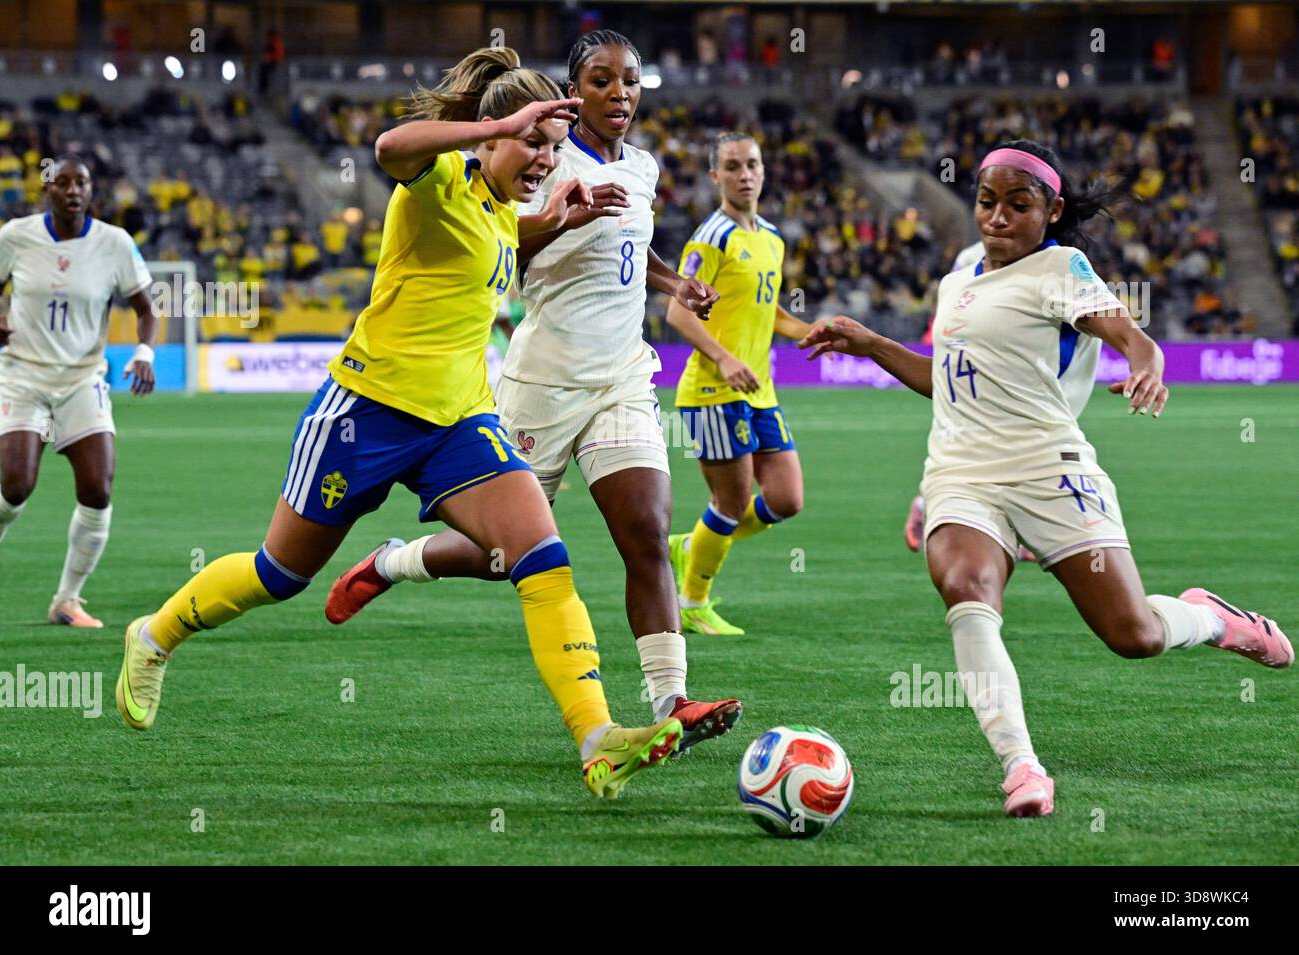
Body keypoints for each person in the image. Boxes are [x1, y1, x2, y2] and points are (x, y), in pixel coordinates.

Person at [114, 47, 683, 799]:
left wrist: (554, 216)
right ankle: (155, 635)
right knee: (279, 573)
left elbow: (498, 246)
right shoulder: (439, 179)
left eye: (552, 147)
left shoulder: (504, 208)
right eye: (532, 143)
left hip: (458, 422)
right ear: (489, 134)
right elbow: (389, 147)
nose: (545, 160)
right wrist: (504, 124)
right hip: (365, 414)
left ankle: (597, 737)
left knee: (542, 556)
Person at [800, 140, 1293, 817]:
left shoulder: (1062, 268)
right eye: (986, 201)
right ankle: (1022, 766)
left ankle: (1211, 617)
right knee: (966, 590)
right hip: (961, 471)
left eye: (1018, 204)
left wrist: (1148, 362)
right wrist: (874, 344)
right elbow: (947, 385)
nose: (998, 217)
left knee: (1135, 634)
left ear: (1051, 209)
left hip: (1048, 469)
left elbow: (1130, 335)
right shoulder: (959, 279)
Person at [325, 31, 742, 754]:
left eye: (632, 81)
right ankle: (394, 559)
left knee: (645, 528)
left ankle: (671, 699)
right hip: (542, 380)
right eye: (603, 82)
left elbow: (627, 248)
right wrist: (558, 219)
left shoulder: (640, 167)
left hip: (620, 376)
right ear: (572, 94)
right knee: (501, 555)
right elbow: (500, 245)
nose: (621, 95)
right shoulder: (535, 153)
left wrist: (676, 283)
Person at [665, 132, 814, 636]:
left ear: (765, 169)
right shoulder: (711, 238)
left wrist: (807, 330)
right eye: (732, 167)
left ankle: (694, 545)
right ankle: (692, 602)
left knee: (787, 498)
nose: (744, 174)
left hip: (759, 392)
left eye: (752, 164)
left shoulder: (771, 237)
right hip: (712, 391)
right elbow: (677, 313)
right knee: (730, 503)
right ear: (715, 177)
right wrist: (724, 358)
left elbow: (763, 309)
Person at [0, 156, 158, 627]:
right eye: (62, 181)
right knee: (16, 486)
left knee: (97, 488)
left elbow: (146, 309)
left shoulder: (114, 243)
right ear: (47, 190)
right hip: (22, 375)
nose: (72, 189)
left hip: (83, 378)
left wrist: (144, 353)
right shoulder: (15, 236)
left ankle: (67, 600)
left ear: (92, 191)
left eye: (81, 182)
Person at [903, 239, 1035, 562]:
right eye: (987, 202)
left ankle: (1026, 523)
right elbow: (954, 313)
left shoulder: (1063, 260)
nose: (998, 218)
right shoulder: (971, 259)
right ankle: (935, 505)